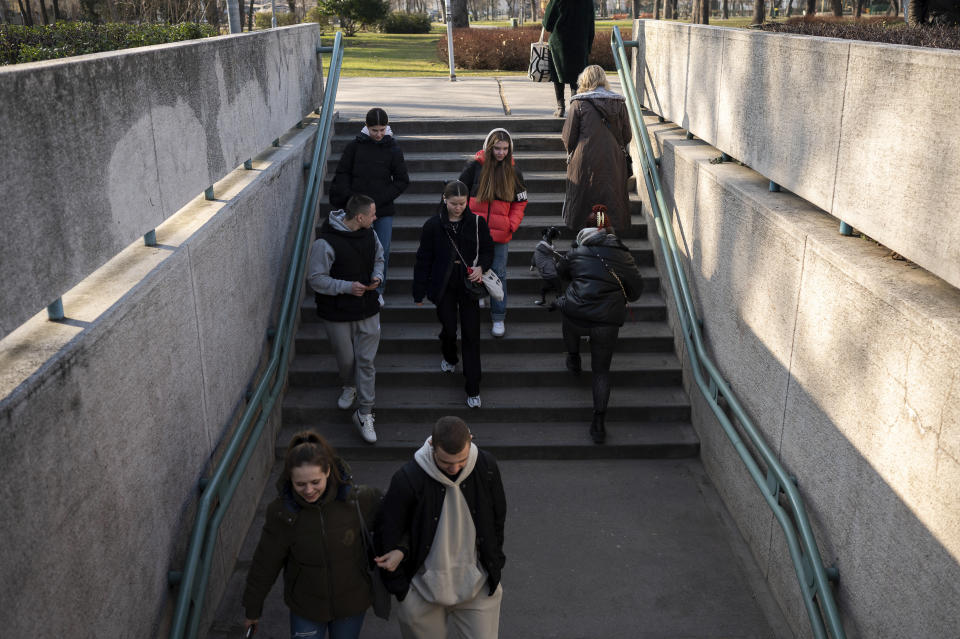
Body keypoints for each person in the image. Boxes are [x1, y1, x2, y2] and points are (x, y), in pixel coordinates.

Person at [375, 416, 506, 639]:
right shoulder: (408, 478)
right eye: (446, 462)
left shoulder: (486, 466)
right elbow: (387, 532)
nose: (455, 468)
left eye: (462, 460)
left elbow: (497, 520)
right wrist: (403, 593)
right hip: (421, 592)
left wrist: (494, 563)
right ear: (431, 446)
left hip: (477, 586)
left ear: (471, 440)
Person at [242, 431, 382, 639]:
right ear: (290, 479)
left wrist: (400, 550)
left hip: (352, 604)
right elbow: (265, 563)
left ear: (327, 471)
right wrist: (252, 609)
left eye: (315, 482)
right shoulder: (282, 513)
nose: (308, 490)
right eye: (300, 484)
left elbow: (395, 522)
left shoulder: (358, 500)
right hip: (306, 608)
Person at [555, 205, 643, 444]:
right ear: (610, 230)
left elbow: (560, 273)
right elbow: (636, 292)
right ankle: (598, 423)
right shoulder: (624, 255)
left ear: (586, 228)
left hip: (578, 315)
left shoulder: (577, 250)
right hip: (606, 321)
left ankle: (573, 357)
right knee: (601, 371)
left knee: (566, 308)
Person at [307, 194, 383, 444]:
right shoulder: (325, 243)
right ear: (359, 217)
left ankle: (365, 412)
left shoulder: (371, 235)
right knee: (347, 359)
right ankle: (349, 385)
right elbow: (316, 279)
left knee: (366, 361)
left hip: (368, 308)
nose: (376, 218)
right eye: (372, 214)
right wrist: (346, 287)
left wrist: (377, 277)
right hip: (337, 312)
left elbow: (379, 259)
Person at [413, 181, 494, 409]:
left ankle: (473, 387)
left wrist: (482, 268)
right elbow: (423, 259)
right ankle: (449, 356)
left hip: (469, 286)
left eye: (462, 203)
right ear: (444, 199)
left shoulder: (477, 223)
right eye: (454, 203)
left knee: (471, 335)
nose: (458, 208)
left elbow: (488, 250)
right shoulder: (432, 226)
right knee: (449, 328)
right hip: (444, 286)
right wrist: (418, 291)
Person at [329, 107, 410, 301]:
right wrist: (352, 200)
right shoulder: (354, 147)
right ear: (366, 127)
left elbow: (402, 180)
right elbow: (342, 174)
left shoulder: (393, 148)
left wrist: (379, 199)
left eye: (382, 129)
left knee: (382, 250)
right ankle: (357, 287)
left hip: (382, 210)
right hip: (357, 211)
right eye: (375, 130)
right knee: (356, 251)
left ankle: (377, 291)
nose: (379, 134)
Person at [458, 128, 528, 338]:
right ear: (489, 147)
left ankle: (498, 317)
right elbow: (459, 192)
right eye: (497, 148)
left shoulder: (514, 171)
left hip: (500, 234)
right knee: (473, 269)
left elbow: (521, 201)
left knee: (499, 274)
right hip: (474, 232)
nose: (501, 153)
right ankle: (479, 295)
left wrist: (511, 225)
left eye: (505, 149)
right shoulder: (474, 166)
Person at [561, 64, 633, 233]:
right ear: (603, 80)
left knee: (584, 201)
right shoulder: (619, 103)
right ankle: (604, 233)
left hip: (584, 162)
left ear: (584, 80)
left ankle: (586, 237)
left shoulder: (578, 103)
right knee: (608, 200)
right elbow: (627, 135)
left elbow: (568, 137)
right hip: (613, 161)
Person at [542, 0, 595, 117]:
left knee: (557, 76)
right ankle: (575, 108)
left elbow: (547, 24)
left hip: (559, 44)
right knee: (577, 79)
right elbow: (591, 25)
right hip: (580, 44)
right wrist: (588, 46)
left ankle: (560, 108)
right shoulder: (588, 2)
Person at [531, 225, 564, 306]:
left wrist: (532, 265)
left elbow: (534, 256)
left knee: (546, 288)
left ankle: (545, 300)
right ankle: (559, 299)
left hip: (546, 270)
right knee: (557, 287)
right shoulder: (547, 247)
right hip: (549, 271)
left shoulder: (541, 246)